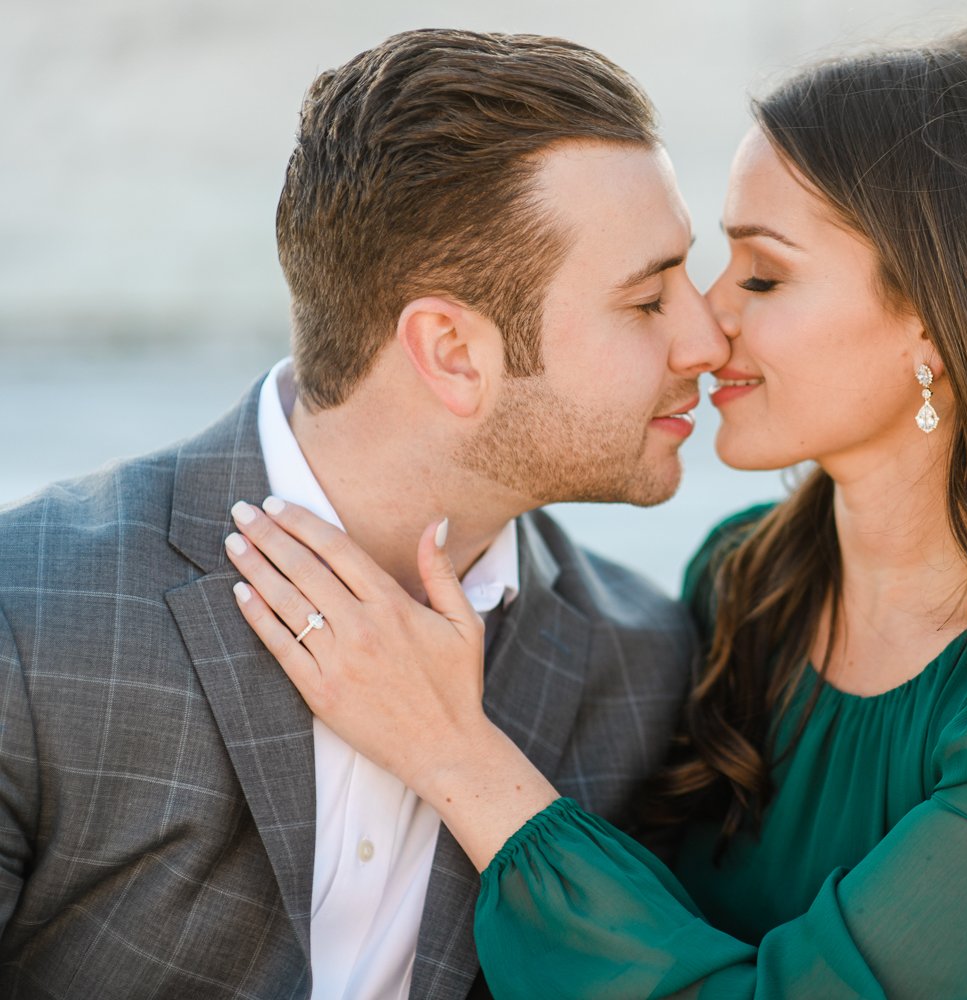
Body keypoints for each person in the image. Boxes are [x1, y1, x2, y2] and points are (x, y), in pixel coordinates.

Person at [227, 25, 967, 999]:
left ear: (939, 325)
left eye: (762, 275)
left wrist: (457, 757)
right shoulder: (747, 584)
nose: (706, 322)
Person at [0, 28, 728, 999]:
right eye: (647, 300)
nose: (710, 338)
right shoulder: (31, 619)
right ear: (453, 351)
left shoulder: (641, 667)